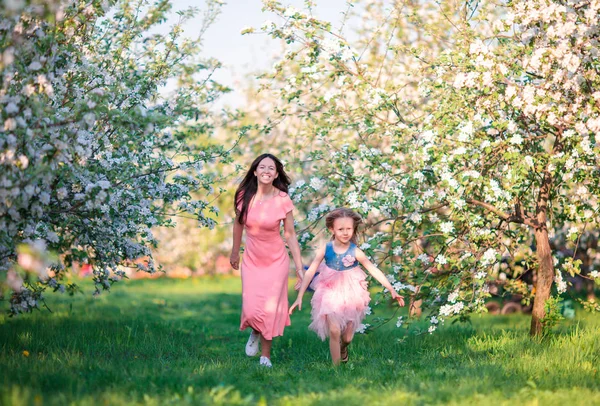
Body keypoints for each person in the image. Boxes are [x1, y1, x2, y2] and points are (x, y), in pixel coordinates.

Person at [289, 208, 405, 365]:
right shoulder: (326, 249)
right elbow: (310, 272)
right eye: (341, 229)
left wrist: (391, 288)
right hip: (329, 291)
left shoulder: (355, 251)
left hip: (351, 293)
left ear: (354, 229)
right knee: (334, 330)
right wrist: (300, 296)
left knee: (347, 338)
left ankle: (344, 347)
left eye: (349, 229)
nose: (345, 233)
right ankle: (336, 369)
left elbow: (373, 269)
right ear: (332, 229)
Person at [230, 153, 303, 368]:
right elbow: (238, 225)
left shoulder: (282, 199)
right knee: (252, 308)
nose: (266, 171)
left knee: (269, 309)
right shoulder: (245, 196)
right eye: (262, 167)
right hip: (252, 259)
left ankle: (265, 357)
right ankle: (254, 329)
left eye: (271, 168)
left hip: (276, 261)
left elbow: (289, 234)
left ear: (276, 174)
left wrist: (299, 267)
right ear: (255, 171)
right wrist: (235, 252)